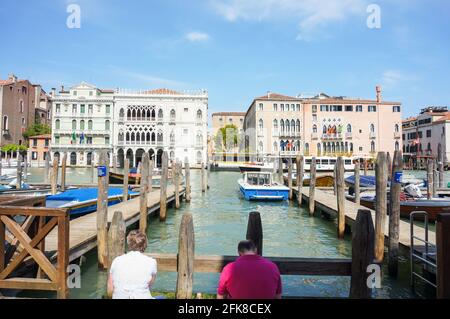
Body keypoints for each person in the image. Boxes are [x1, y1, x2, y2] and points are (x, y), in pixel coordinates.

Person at [217, 240, 282, 299]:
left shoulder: (228, 269)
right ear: (256, 250)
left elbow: (221, 295)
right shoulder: (273, 267)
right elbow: (278, 296)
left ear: (239, 253)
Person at [107, 230, 157, 299]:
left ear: (128, 243)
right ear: (145, 244)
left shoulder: (116, 260)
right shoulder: (151, 262)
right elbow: (149, 284)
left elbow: (110, 289)